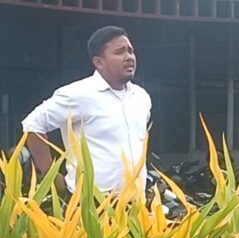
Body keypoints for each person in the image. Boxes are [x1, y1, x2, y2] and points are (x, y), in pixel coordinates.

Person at [22, 26, 151, 195]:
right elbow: (33, 125)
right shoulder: (78, 94)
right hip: (90, 202)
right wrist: (51, 176)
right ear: (99, 62)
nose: (129, 57)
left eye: (130, 51)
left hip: (136, 202)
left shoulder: (141, 97)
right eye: (119, 52)